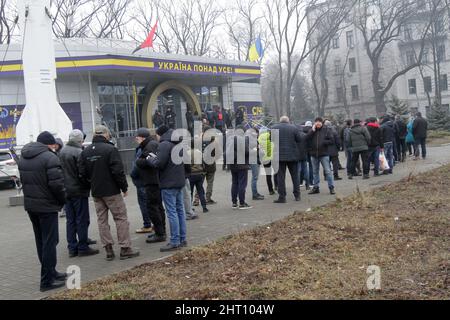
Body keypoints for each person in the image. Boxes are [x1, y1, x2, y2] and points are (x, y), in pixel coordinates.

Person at [79, 125, 140, 261]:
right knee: (120, 218)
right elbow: (118, 171)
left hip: (96, 192)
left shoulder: (85, 152)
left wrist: (91, 184)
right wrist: (124, 187)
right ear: (106, 134)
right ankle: (125, 248)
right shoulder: (110, 149)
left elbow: (82, 174)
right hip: (111, 191)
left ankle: (108, 250)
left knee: (102, 221)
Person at [18, 131, 67, 292]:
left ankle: (51, 272)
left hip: (31, 206)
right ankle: (46, 281)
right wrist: (63, 201)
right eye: (53, 144)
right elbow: (57, 185)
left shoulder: (24, 156)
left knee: (41, 241)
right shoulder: (50, 157)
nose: (55, 147)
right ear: (49, 144)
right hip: (47, 206)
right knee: (50, 243)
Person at [144, 125, 187, 252]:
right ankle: (182, 239)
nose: (156, 138)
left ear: (161, 134)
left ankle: (174, 241)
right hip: (179, 181)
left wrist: (149, 159)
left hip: (168, 183)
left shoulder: (164, 145)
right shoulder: (178, 143)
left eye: (157, 135)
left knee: (172, 212)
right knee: (180, 211)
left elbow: (159, 163)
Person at [59, 130, 99, 258]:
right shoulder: (79, 152)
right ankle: (83, 247)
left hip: (66, 191)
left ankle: (72, 247)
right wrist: (88, 184)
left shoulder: (62, 151)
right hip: (78, 190)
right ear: (80, 140)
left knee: (70, 220)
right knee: (81, 219)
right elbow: (82, 173)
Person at [272, 116, 302, 203]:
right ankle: (297, 195)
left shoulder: (274, 128)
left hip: (279, 156)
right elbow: (299, 139)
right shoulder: (294, 128)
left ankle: (282, 197)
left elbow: (270, 141)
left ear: (280, 121)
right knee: (295, 176)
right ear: (288, 121)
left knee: (280, 177)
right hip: (292, 155)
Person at [131, 128, 154, 235]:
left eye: (138, 136)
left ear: (143, 137)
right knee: (148, 203)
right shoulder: (148, 146)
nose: (136, 138)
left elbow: (137, 165)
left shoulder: (142, 149)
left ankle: (147, 225)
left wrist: (132, 175)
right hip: (145, 180)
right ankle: (151, 224)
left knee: (144, 204)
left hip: (141, 181)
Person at [306, 117, 336, 195]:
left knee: (328, 171)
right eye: (316, 122)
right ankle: (316, 187)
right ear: (314, 123)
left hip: (324, 154)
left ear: (322, 123)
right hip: (313, 154)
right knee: (315, 172)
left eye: (319, 122)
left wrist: (323, 142)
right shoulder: (312, 130)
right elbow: (307, 138)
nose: (318, 123)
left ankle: (331, 187)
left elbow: (332, 140)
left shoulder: (326, 130)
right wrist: (312, 130)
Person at [226, 125, 252, 210]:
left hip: (233, 164)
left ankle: (234, 202)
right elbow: (247, 151)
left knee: (234, 183)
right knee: (242, 183)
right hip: (242, 165)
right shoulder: (242, 139)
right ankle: (242, 203)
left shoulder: (230, 138)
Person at [188, 140, 209, 213]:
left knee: (189, 192)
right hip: (199, 173)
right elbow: (203, 162)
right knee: (200, 191)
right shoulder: (199, 152)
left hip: (191, 174)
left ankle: (190, 208)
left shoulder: (187, 153)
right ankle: (204, 207)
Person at [258, 128, 277, 195]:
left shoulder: (259, 139)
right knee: (276, 172)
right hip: (274, 157)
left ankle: (270, 190)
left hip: (265, 159)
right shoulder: (271, 136)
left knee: (268, 175)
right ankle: (277, 186)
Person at [248, 127, 264, 201]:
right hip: (254, 160)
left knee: (255, 177)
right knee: (254, 178)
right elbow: (254, 149)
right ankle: (254, 194)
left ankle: (256, 193)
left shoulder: (251, 138)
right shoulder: (252, 139)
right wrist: (258, 149)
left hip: (255, 159)